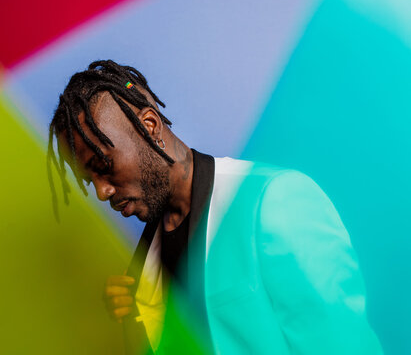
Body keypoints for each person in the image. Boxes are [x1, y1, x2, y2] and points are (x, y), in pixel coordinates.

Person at [48, 60, 383, 354]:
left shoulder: (272, 199)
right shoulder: (144, 261)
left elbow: (343, 345)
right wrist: (135, 318)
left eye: (103, 165)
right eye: (89, 181)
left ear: (149, 127)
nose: (102, 192)